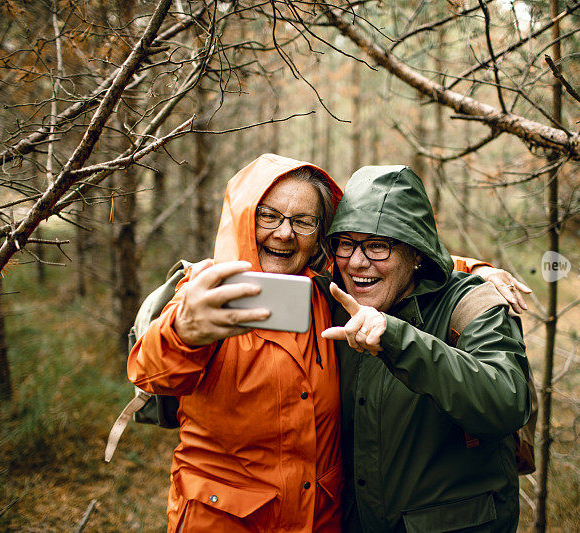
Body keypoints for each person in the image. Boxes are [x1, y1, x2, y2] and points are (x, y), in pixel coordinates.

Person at [128, 154, 529, 532]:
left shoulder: (331, 295)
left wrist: (477, 270)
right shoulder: (208, 291)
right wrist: (183, 331)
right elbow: (150, 373)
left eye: (302, 221)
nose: (284, 233)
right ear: (245, 217)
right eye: (269, 216)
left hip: (319, 518)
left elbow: (395, 251)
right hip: (225, 519)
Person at [321, 165, 532, 532]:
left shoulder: (470, 304)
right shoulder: (334, 302)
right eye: (346, 242)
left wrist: (397, 339)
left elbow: (507, 400)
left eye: (377, 245)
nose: (356, 261)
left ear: (417, 253)